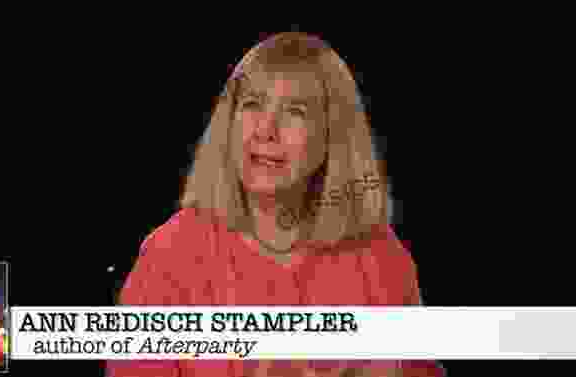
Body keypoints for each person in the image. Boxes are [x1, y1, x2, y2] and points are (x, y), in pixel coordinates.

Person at [107, 32, 446, 377]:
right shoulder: (170, 257)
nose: (266, 130)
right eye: (252, 104)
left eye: (295, 111)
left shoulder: (381, 259)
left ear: (333, 135)